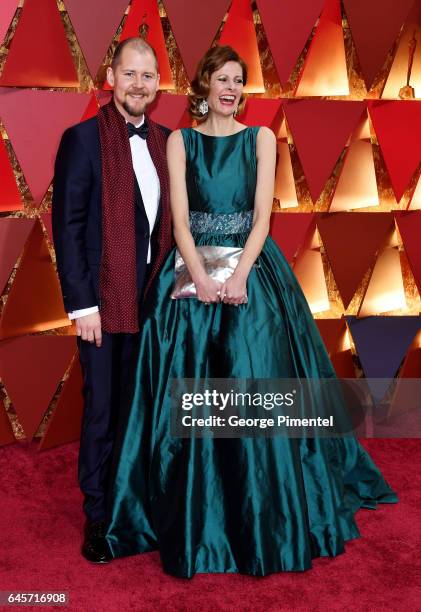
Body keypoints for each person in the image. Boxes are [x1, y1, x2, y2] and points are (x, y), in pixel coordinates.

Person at [105, 45, 398, 577]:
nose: (231, 88)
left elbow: (262, 219)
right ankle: (191, 508)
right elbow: (179, 223)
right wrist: (198, 278)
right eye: (222, 78)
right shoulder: (180, 143)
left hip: (253, 276)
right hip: (191, 275)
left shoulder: (262, 139)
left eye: (239, 81)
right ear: (204, 84)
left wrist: (238, 278)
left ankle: (264, 506)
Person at [52, 38, 172, 564]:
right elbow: (69, 227)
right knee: (102, 410)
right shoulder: (81, 140)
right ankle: (99, 516)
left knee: (140, 409)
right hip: (103, 306)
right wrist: (83, 307)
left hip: (154, 305)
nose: (139, 84)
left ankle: (135, 505)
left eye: (148, 76)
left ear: (157, 85)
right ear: (111, 77)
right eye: (130, 74)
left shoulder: (169, 142)